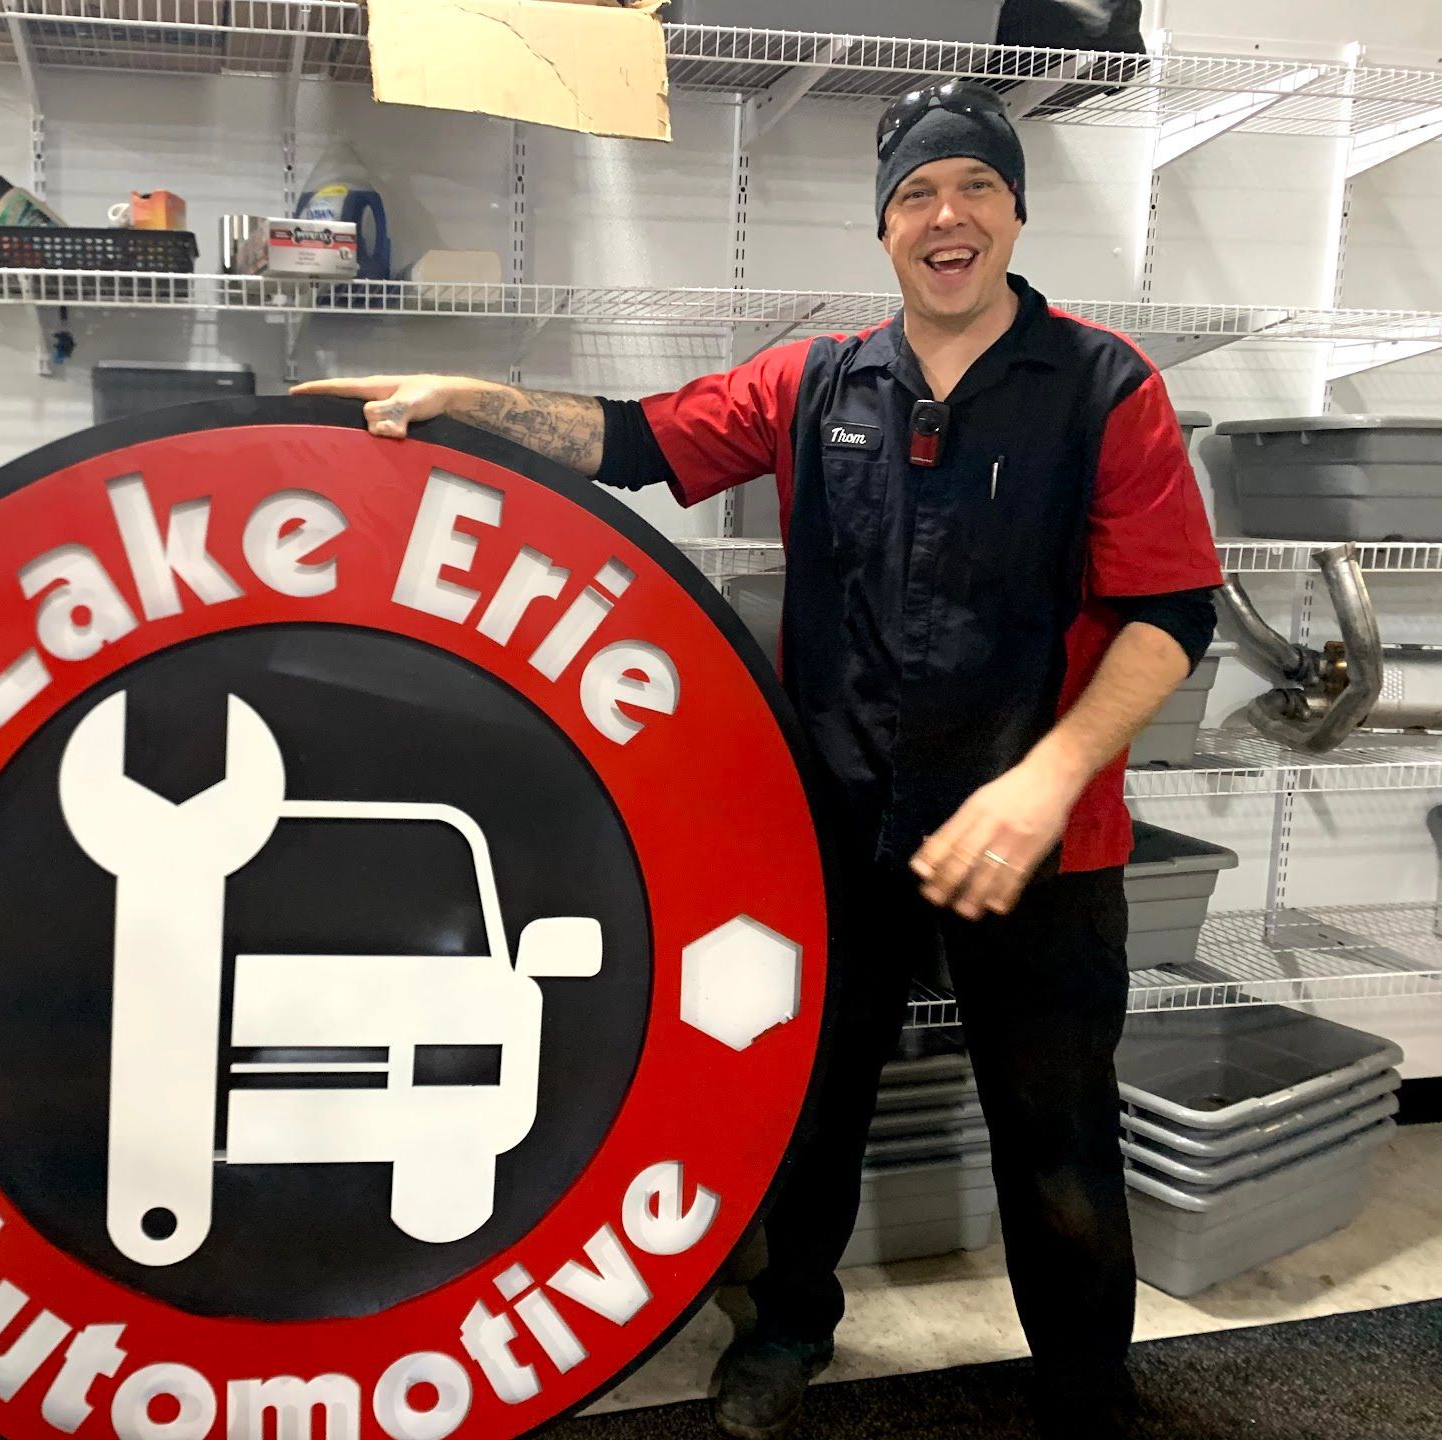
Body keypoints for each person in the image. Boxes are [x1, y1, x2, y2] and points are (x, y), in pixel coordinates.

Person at [296, 80, 1221, 1440]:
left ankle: (1088, 1392)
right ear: (885, 229)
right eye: (915, 194)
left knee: (1062, 1141)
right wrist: (460, 400)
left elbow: (1172, 614)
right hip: (842, 826)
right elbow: (630, 439)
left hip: (1040, 838)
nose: (945, 215)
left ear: (1015, 212)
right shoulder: (814, 384)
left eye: (973, 186)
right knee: (811, 1107)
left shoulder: (1107, 389)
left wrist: (1047, 779)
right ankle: (789, 1332)